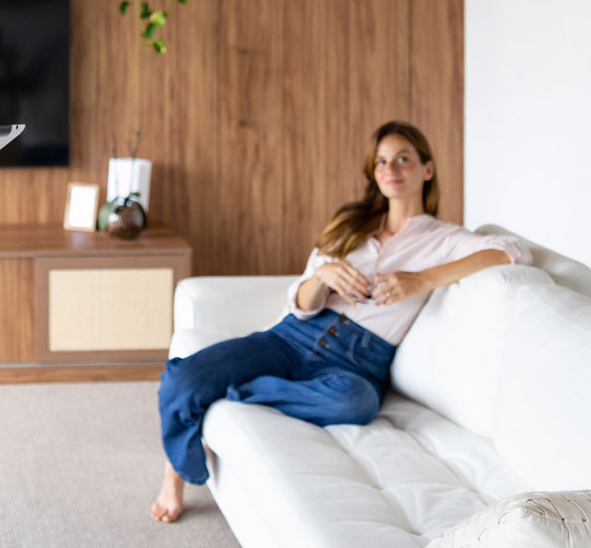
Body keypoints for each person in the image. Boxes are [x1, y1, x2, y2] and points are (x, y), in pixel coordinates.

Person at [150, 121, 530, 524]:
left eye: (403, 159)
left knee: (356, 402)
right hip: (291, 337)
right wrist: (322, 278)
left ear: (427, 170)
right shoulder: (351, 226)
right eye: (381, 161)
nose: (391, 168)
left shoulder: (445, 239)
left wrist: (423, 279)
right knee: (182, 378)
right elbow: (299, 302)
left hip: (356, 361)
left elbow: (513, 251)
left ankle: (231, 391)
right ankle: (175, 476)